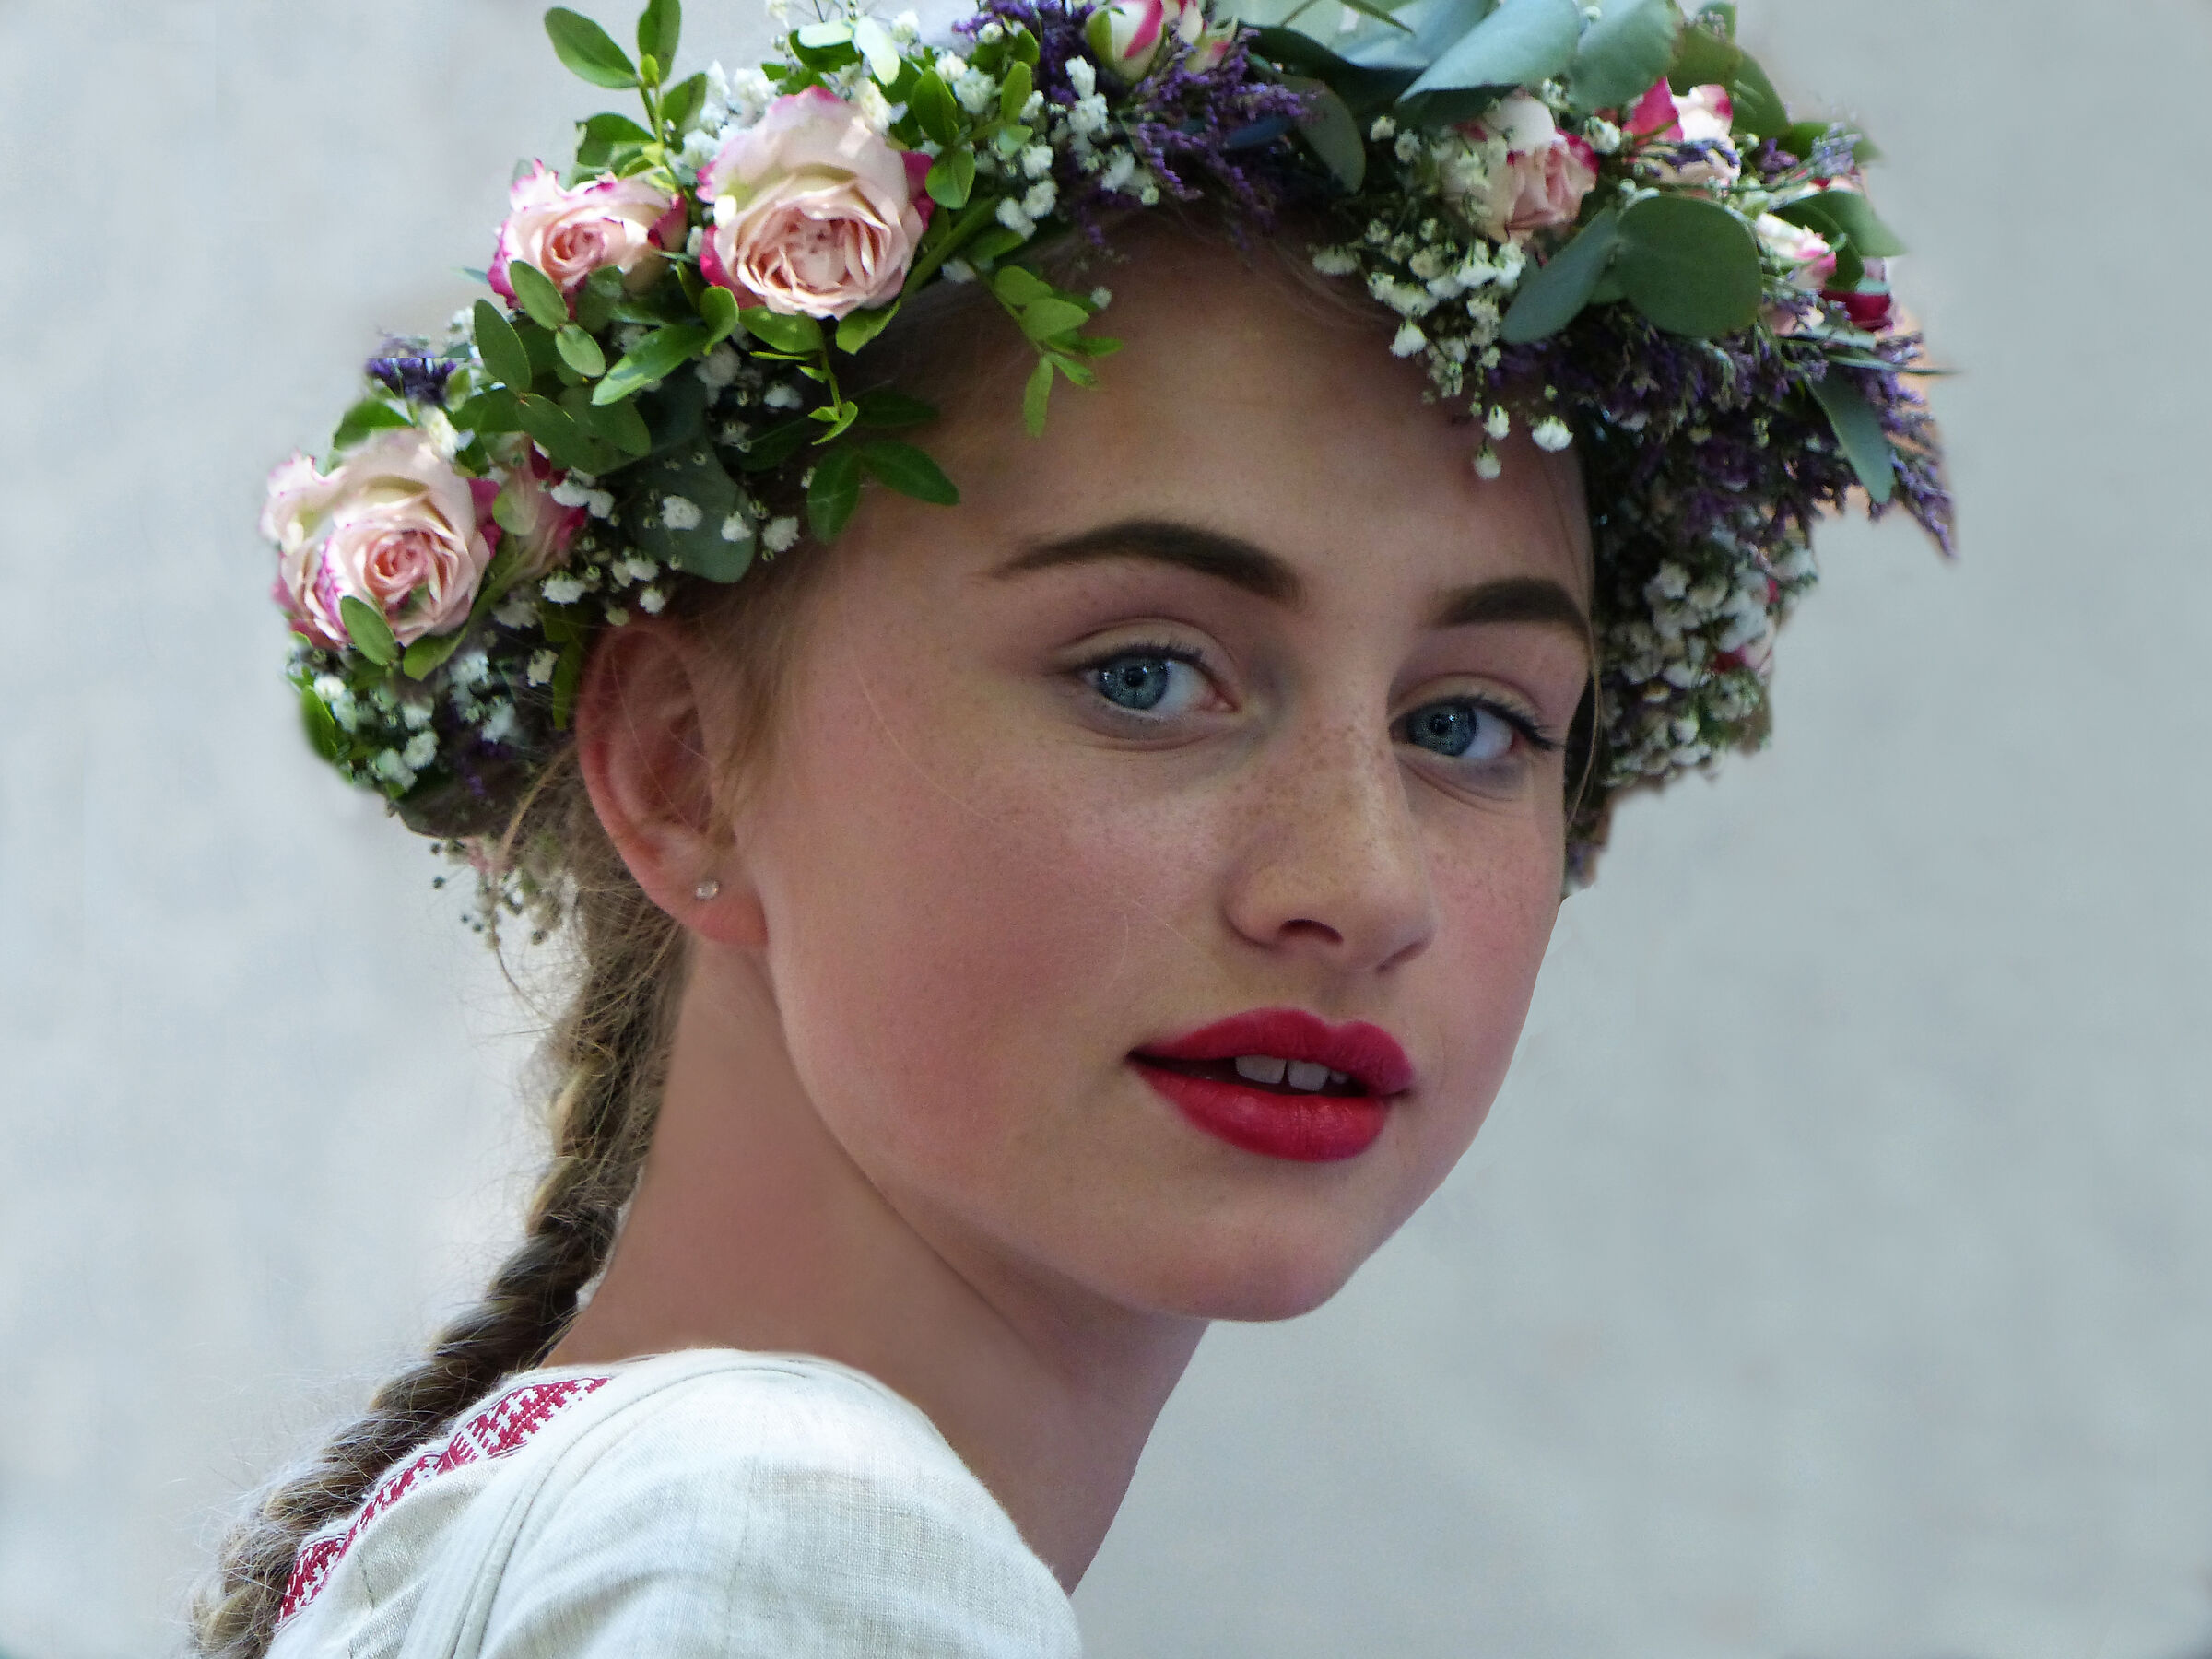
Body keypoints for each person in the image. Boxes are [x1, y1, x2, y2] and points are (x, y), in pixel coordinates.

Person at [200, 0, 1949, 1653]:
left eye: (1468, 723)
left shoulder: (547, 1528)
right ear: (679, 763)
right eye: (1144, 676)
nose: (1359, 885)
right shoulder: (785, 1545)